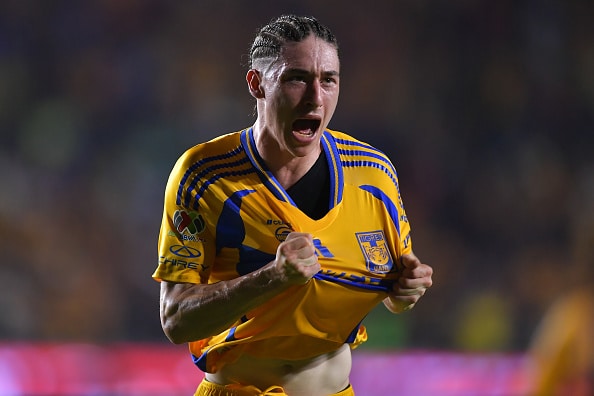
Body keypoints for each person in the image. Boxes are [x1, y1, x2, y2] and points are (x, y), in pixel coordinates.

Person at [153, 14, 433, 396]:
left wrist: (405, 290)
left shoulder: (374, 174)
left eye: (329, 80)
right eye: (297, 78)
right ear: (257, 84)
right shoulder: (206, 175)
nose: (316, 97)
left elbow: (394, 291)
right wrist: (271, 278)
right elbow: (176, 320)